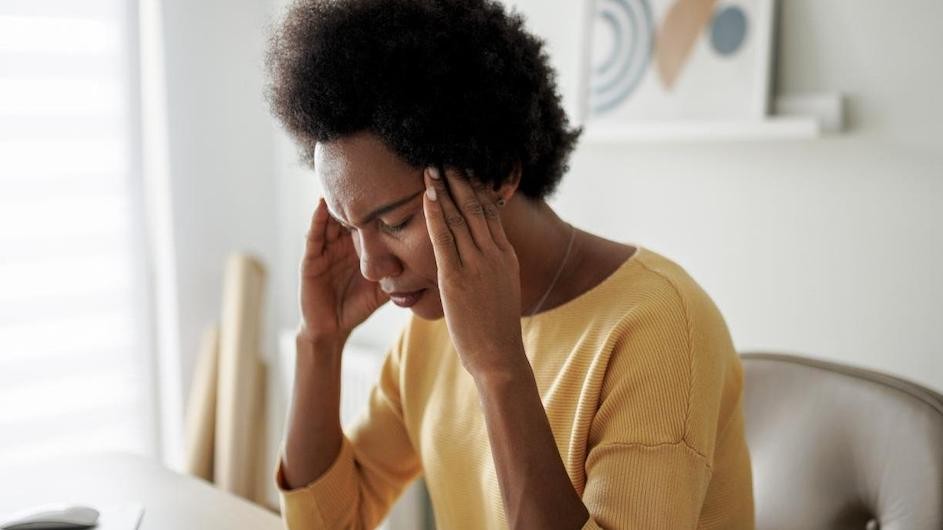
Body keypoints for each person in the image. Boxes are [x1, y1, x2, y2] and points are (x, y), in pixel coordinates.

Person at [266, 0, 754, 528]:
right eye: (348, 225)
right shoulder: (431, 333)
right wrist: (320, 341)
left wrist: (497, 364)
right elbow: (331, 523)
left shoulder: (659, 327)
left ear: (497, 174)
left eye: (394, 222)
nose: (369, 265)